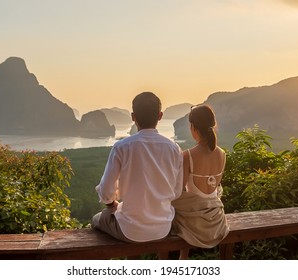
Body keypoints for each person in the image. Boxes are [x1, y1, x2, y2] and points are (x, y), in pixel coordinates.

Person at [91, 92, 183, 243]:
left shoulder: (122, 147)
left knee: (96, 219)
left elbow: (106, 189)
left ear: (133, 117)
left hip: (129, 230)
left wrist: (111, 203)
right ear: (160, 116)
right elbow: (177, 191)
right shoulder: (174, 148)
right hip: (163, 228)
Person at [171, 104, 230, 259]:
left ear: (193, 128)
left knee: (167, 203)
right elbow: (215, 188)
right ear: (213, 125)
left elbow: (178, 192)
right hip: (216, 220)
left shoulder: (187, 156)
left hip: (194, 222)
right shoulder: (222, 154)